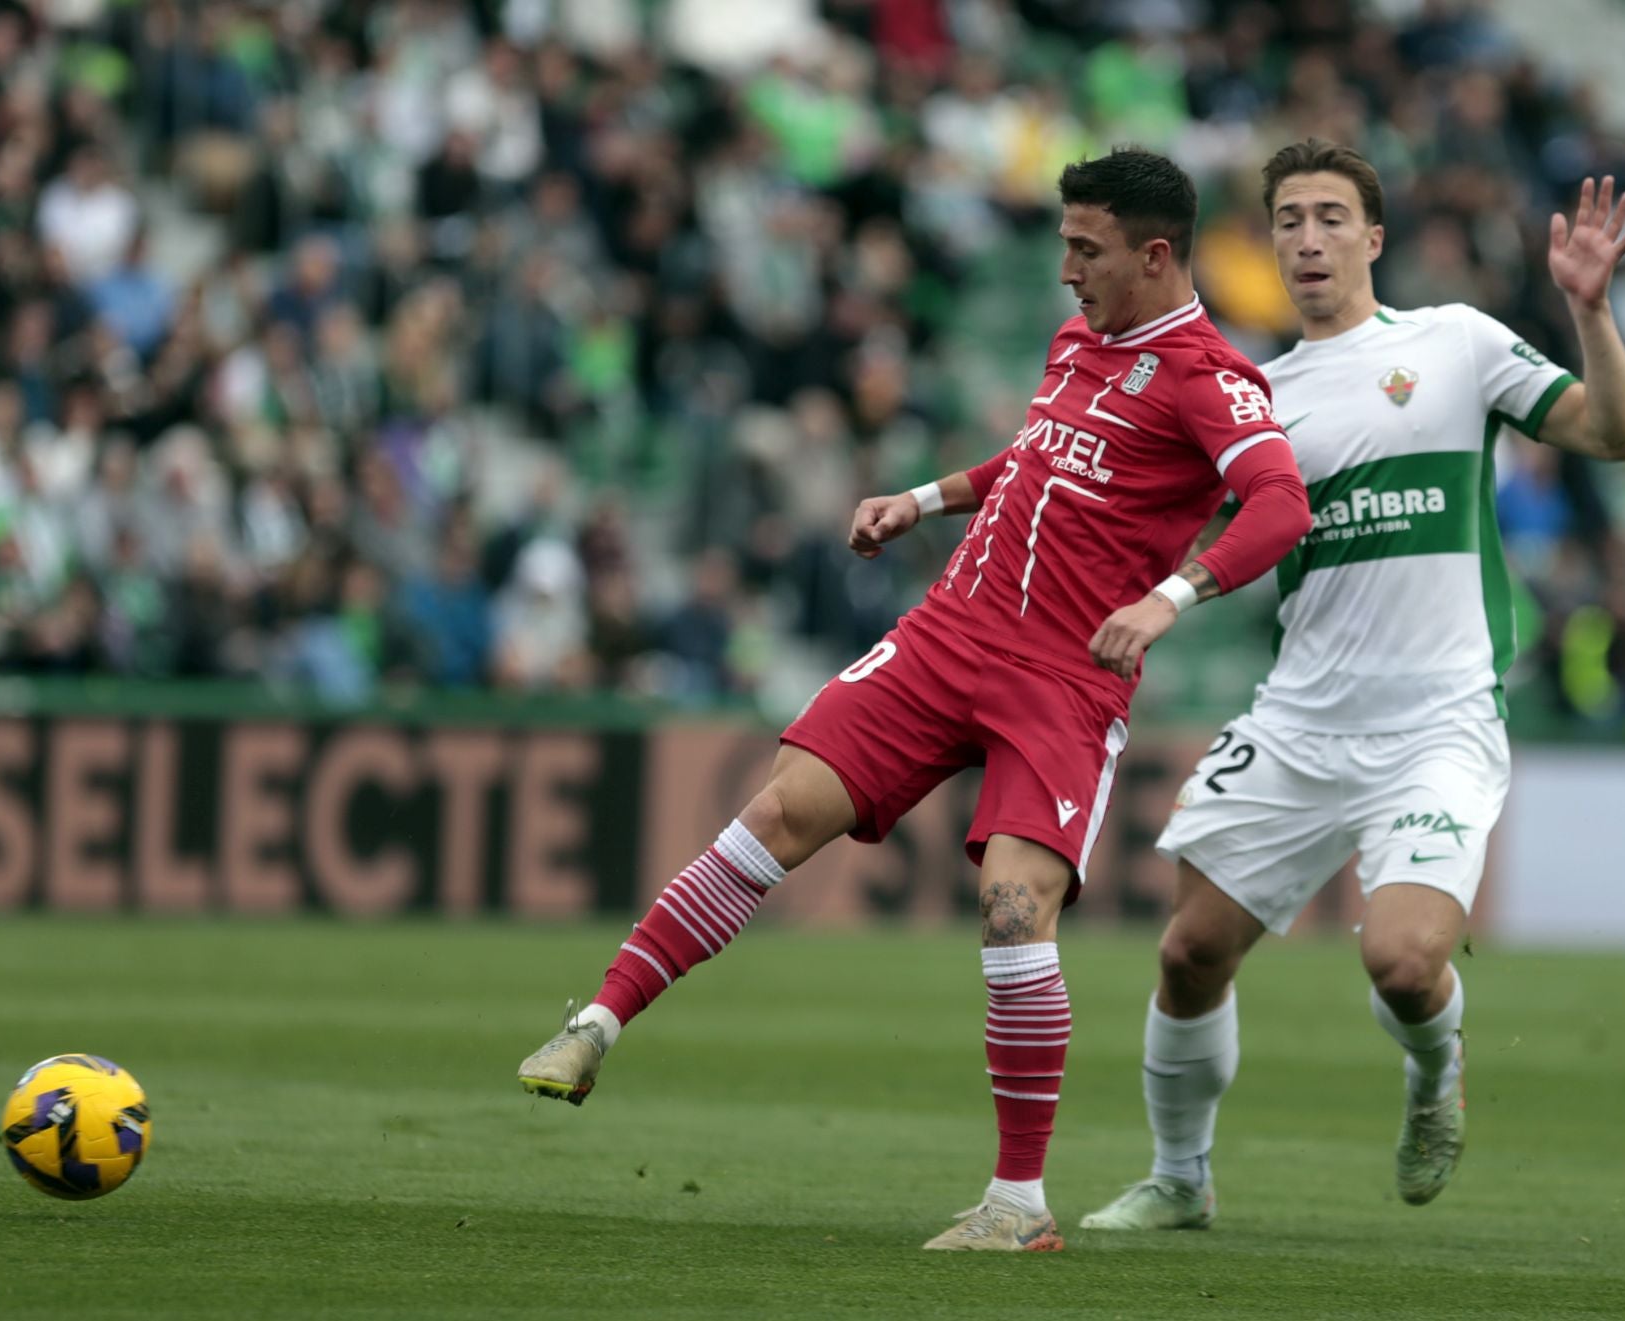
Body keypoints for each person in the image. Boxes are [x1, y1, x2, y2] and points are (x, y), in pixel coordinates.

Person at [517, 146, 1314, 1252]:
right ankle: (598, 1021)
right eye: (1064, 244)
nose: (1067, 268)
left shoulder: (1210, 377)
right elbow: (1038, 456)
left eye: (1087, 250)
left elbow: (1280, 507)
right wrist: (924, 497)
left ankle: (1019, 1204)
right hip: (950, 633)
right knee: (777, 813)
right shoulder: (1079, 339)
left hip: (1062, 677)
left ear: (1156, 254)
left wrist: (1172, 598)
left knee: (1011, 911)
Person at [1081, 140, 1625, 1233]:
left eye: (1331, 217)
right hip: (1302, 720)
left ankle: (1436, 1076)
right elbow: (1153, 522)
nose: (1308, 239)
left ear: (1373, 239)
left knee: (1401, 959)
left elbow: (1620, 436)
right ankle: (1180, 1178)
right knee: (1189, 952)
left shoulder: (1457, 345)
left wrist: (1591, 312)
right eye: (1289, 219)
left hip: (1435, 723)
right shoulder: (1253, 397)